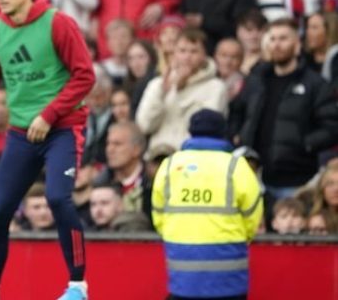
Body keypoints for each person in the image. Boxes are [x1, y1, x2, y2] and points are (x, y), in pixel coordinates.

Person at [0, 0, 95, 300]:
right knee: (0, 209)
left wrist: (49, 115)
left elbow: (84, 76)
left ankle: (78, 286)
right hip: (21, 133)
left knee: (57, 198)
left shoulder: (57, 22)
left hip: (62, 128)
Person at [152, 109, 263, 300]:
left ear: (191, 132)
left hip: (183, 279)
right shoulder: (237, 166)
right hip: (229, 280)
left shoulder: (169, 165)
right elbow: (253, 216)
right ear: (223, 132)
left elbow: (159, 215)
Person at [238, 19, 338, 201]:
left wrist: (305, 144)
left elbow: (332, 125)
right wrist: (238, 137)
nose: (277, 45)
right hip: (256, 179)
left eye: (283, 38)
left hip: (297, 182)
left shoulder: (315, 84)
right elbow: (237, 111)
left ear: (297, 43)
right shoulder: (257, 80)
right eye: (273, 39)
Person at [136, 29, 228, 151]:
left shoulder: (216, 87)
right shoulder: (157, 84)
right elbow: (144, 125)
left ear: (204, 55)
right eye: (182, 51)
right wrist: (162, 92)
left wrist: (182, 89)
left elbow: (207, 127)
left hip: (194, 156)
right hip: (159, 157)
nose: (187, 56)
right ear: (174, 54)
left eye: (194, 51)